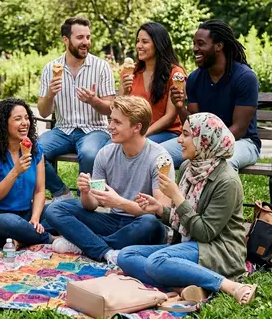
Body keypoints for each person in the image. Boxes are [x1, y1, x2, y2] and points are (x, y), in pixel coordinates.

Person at [117, 113, 257, 306]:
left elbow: (205, 233)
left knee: (156, 262)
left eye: (186, 134)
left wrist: (176, 196)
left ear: (204, 140)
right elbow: (182, 220)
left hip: (219, 249)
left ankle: (228, 285)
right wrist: (159, 209)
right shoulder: (188, 167)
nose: (179, 140)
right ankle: (183, 287)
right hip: (189, 242)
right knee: (126, 255)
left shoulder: (227, 181)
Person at [46, 96, 173, 264]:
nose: (110, 127)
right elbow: (93, 204)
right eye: (110, 120)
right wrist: (85, 193)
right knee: (55, 210)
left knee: (150, 224)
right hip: (112, 221)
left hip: (141, 224)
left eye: (117, 122)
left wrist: (119, 202)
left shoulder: (159, 158)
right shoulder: (105, 153)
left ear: (137, 127)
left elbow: (161, 211)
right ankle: (107, 251)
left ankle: (87, 244)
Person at [162, 19, 260, 171]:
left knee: (222, 165)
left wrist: (205, 147)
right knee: (157, 155)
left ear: (219, 46)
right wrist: (180, 106)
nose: (195, 49)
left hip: (243, 142)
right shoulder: (194, 78)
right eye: (194, 44)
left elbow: (239, 128)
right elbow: (194, 124)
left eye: (201, 44)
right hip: (200, 140)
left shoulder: (245, 77)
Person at [38, 17, 116, 202]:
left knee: (90, 154)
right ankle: (61, 194)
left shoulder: (101, 67)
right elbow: (43, 112)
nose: (86, 42)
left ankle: (87, 201)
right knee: (33, 152)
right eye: (80, 37)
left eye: (88, 37)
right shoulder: (50, 69)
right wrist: (50, 94)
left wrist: (93, 100)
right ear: (66, 39)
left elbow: (111, 110)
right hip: (62, 130)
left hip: (94, 129)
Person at [0, 98, 55, 248]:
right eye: (18, 119)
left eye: (26, 117)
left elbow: (39, 191)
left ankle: (23, 238)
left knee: (60, 210)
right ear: (4, 123)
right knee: (11, 222)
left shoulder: (35, 149)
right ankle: (52, 239)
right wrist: (15, 171)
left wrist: (35, 218)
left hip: (26, 213)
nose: (24, 122)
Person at [120, 22, 185, 144]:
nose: (139, 45)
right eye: (138, 41)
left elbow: (170, 117)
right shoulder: (129, 72)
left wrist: (143, 133)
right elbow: (118, 109)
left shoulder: (175, 73)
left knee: (136, 148)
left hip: (166, 133)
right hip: (135, 131)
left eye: (144, 42)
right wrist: (125, 90)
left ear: (158, 44)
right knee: (108, 149)